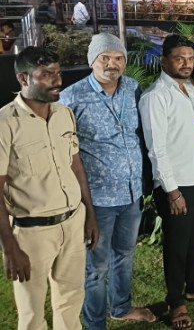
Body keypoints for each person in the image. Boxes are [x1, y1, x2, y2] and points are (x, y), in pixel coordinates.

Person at [59, 33, 156, 328]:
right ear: (92, 60)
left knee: (124, 255)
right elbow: (63, 152)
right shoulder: (71, 97)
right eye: (105, 58)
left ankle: (121, 307)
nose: (112, 64)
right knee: (96, 267)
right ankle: (95, 323)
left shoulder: (133, 89)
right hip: (97, 200)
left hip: (131, 193)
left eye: (118, 58)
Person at [0, 46, 99, 330]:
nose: (57, 80)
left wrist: (89, 214)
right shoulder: (5, 124)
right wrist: (9, 247)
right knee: (31, 313)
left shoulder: (64, 114)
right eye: (46, 74)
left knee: (71, 300)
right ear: (23, 78)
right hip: (32, 232)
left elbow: (76, 166)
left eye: (57, 72)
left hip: (73, 222)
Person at [139, 34, 194, 330]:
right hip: (176, 185)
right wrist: (172, 191)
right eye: (179, 58)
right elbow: (156, 149)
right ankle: (175, 301)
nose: (186, 63)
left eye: (190, 58)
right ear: (164, 61)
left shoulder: (191, 89)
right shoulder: (155, 96)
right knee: (177, 246)